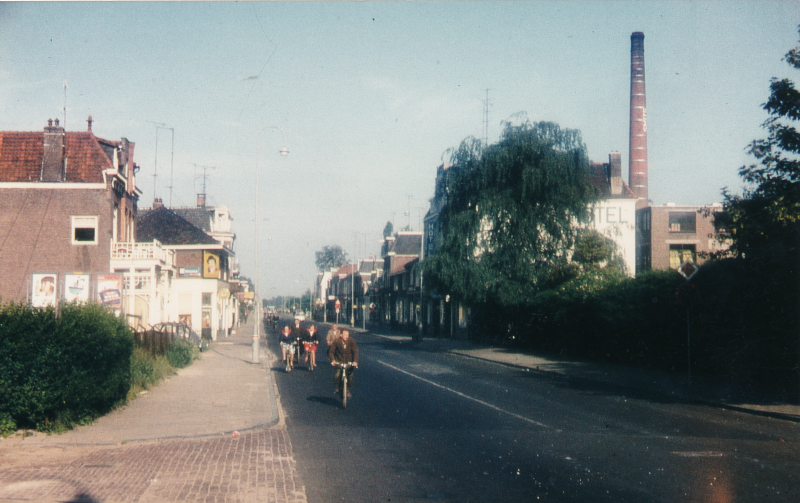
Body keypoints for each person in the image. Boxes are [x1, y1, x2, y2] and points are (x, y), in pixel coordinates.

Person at [328, 329, 359, 396]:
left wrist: (355, 361)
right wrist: (333, 360)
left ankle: (347, 389)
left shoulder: (351, 341)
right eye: (345, 335)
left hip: (348, 362)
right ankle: (337, 388)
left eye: (347, 335)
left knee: (350, 376)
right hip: (339, 361)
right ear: (341, 335)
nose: (346, 336)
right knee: (337, 374)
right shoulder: (336, 341)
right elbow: (331, 352)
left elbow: (355, 352)